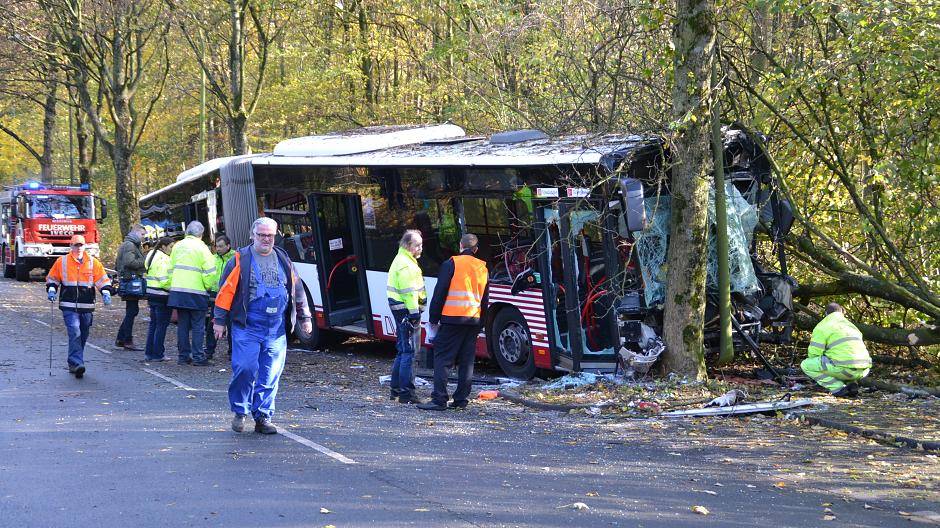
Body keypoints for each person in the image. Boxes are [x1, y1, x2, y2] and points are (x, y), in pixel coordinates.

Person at [213, 217, 312, 434]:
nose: (266, 239)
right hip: (247, 325)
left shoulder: (284, 258)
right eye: (262, 235)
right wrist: (219, 321)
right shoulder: (240, 259)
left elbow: (297, 289)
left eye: (270, 235)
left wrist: (305, 317)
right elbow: (225, 292)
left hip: (275, 328)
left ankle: (263, 417)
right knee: (245, 369)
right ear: (252, 236)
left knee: (270, 374)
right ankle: (240, 411)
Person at [417, 234, 489, 411]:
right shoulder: (483, 268)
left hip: (452, 319)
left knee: (442, 358)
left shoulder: (451, 263)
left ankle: (439, 399)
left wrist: (433, 320)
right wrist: (481, 323)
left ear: (460, 246)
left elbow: (439, 293)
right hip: (473, 319)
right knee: (467, 361)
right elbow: (485, 300)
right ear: (476, 250)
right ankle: (461, 400)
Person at [45, 234, 114, 378]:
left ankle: (74, 361)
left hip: (87, 306)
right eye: (75, 245)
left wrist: (106, 292)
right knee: (75, 332)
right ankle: (77, 363)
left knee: (83, 334)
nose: (78, 248)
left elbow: (102, 280)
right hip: (68, 305)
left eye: (80, 245)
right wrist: (52, 289)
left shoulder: (92, 262)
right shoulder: (62, 261)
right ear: (71, 246)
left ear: (84, 246)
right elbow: (53, 278)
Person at [167, 221, 217, 366]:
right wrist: (207, 286)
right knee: (198, 326)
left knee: (182, 325)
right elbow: (210, 272)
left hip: (178, 291)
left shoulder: (177, 246)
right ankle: (198, 356)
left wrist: (173, 285)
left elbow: (170, 269)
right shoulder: (202, 248)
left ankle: (183, 356)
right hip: (196, 292)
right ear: (201, 234)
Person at [386, 230, 427, 404]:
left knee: (402, 351)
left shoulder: (402, 260)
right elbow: (409, 293)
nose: (420, 248)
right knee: (409, 352)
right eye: (417, 245)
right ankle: (406, 393)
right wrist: (414, 313)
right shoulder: (406, 265)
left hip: (402, 312)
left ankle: (396, 390)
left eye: (421, 244)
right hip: (407, 313)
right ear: (407, 245)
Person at [800, 303, 872, 398]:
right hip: (863, 370)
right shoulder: (851, 326)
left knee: (806, 365)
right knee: (841, 359)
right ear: (842, 312)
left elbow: (814, 354)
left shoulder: (823, 326)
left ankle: (837, 388)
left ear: (826, 314)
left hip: (843, 369)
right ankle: (852, 384)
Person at [114, 224, 147, 350]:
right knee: (132, 311)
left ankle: (121, 338)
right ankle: (127, 340)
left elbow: (118, 264)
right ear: (136, 233)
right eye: (142, 234)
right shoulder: (130, 245)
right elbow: (129, 262)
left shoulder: (127, 244)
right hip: (131, 282)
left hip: (127, 281)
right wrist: (145, 261)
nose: (144, 238)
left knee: (132, 310)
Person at [143, 237, 175, 362]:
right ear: (163, 247)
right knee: (161, 326)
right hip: (162, 295)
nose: (172, 250)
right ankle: (158, 354)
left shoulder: (152, 255)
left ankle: (149, 352)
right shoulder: (164, 259)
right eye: (171, 247)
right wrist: (173, 287)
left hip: (151, 293)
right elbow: (164, 281)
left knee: (154, 324)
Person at [205, 234, 236, 360]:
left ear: (228, 246)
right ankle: (209, 350)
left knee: (232, 326)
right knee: (213, 324)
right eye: (216, 246)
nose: (218, 249)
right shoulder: (213, 259)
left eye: (221, 246)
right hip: (216, 296)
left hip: (232, 296)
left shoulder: (235, 258)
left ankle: (233, 352)